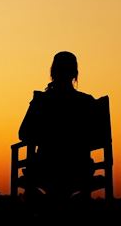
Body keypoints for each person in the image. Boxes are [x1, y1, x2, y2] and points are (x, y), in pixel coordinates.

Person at [18, 51, 96, 200]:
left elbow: (23, 133)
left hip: (45, 167)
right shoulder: (87, 101)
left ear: (52, 72)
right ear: (75, 73)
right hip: (79, 168)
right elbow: (95, 136)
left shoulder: (41, 100)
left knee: (35, 181)